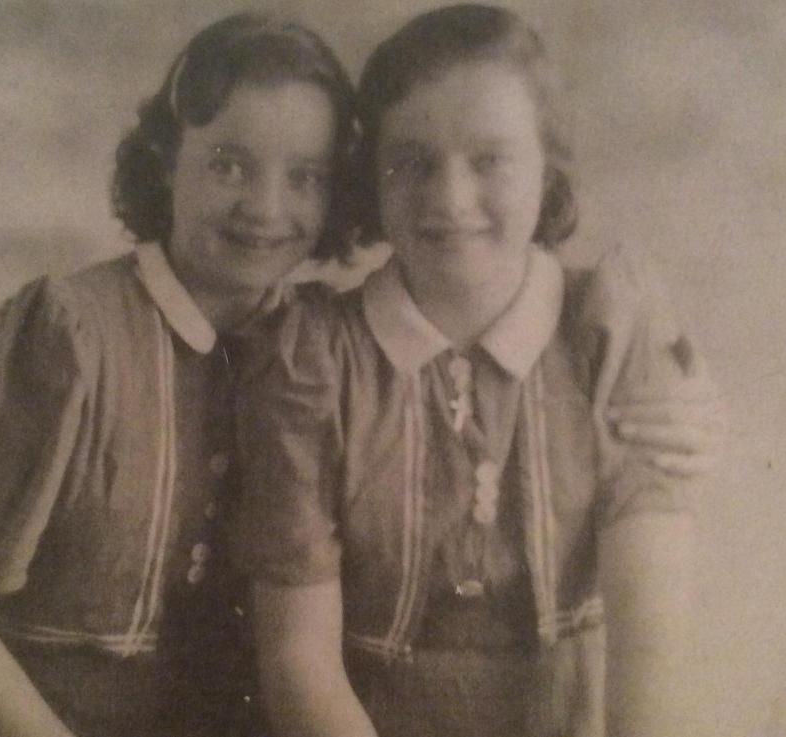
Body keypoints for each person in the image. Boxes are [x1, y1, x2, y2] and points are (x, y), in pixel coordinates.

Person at [232, 5, 724, 737]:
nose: (450, 198)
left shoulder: (612, 331)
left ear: (545, 164)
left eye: (489, 159)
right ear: (370, 173)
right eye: (413, 161)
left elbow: (650, 666)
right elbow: (300, 666)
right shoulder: (314, 358)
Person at [0, 13, 357, 737]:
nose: (266, 208)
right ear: (167, 161)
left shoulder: (315, 350)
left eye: (304, 178)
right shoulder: (67, 336)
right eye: (228, 163)